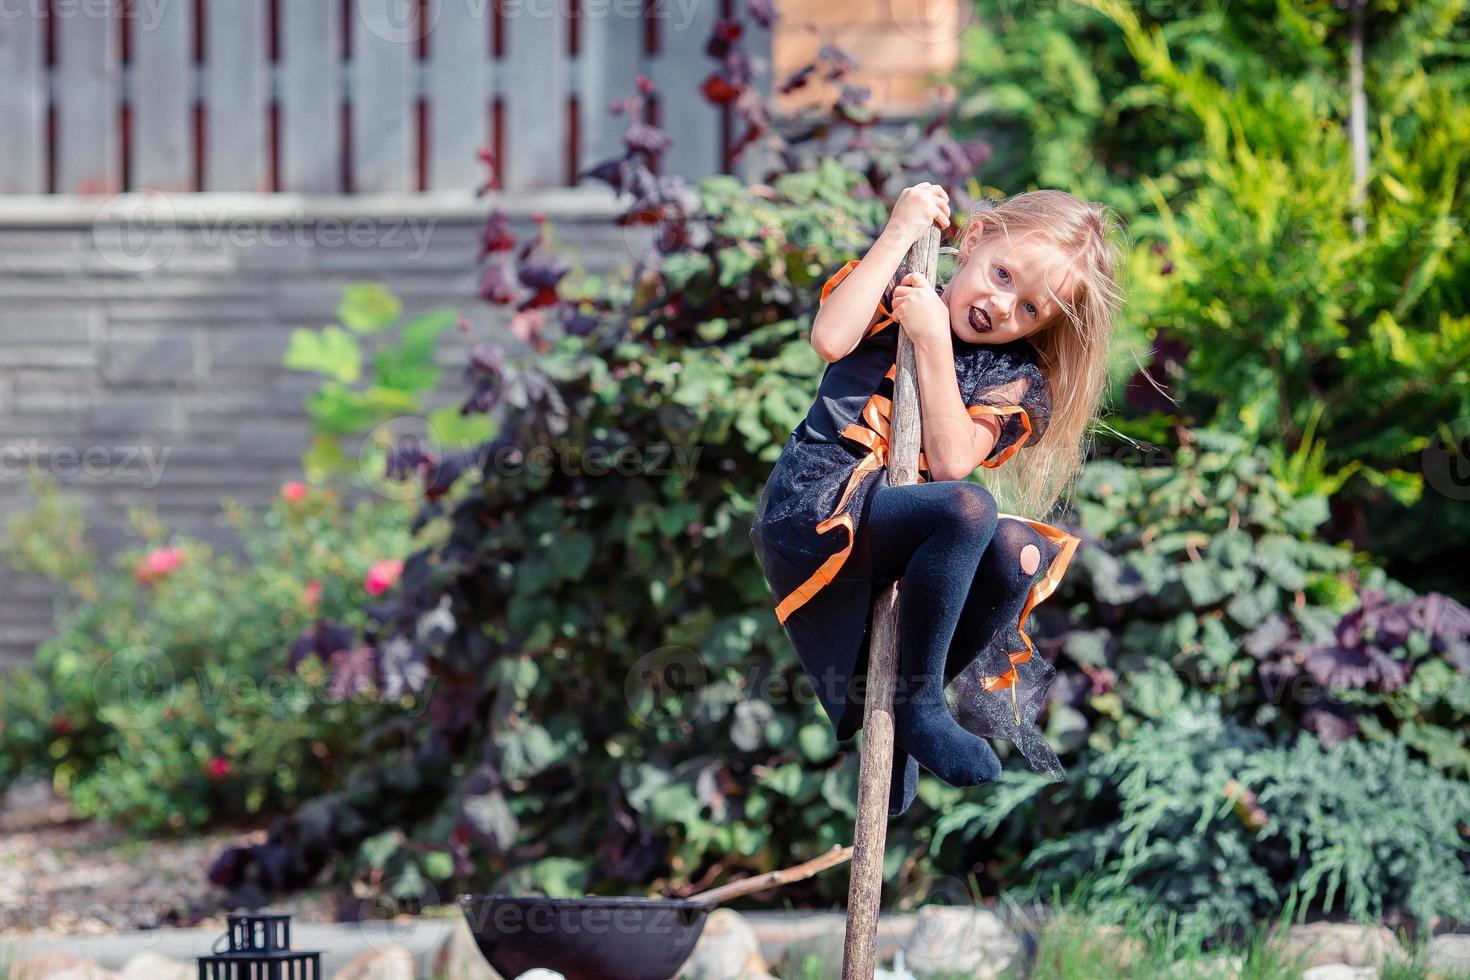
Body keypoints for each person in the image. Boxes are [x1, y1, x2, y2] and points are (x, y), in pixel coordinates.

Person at [749, 183, 1125, 816]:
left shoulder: (1016, 380)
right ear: (972, 241)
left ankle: (906, 708)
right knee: (968, 508)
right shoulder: (900, 289)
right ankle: (921, 708)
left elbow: (952, 459)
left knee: (1019, 556)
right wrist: (898, 231)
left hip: (895, 521)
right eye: (1002, 274)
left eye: (1030, 309)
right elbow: (830, 339)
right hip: (818, 504)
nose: (1003, 306)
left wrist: (933, 343)